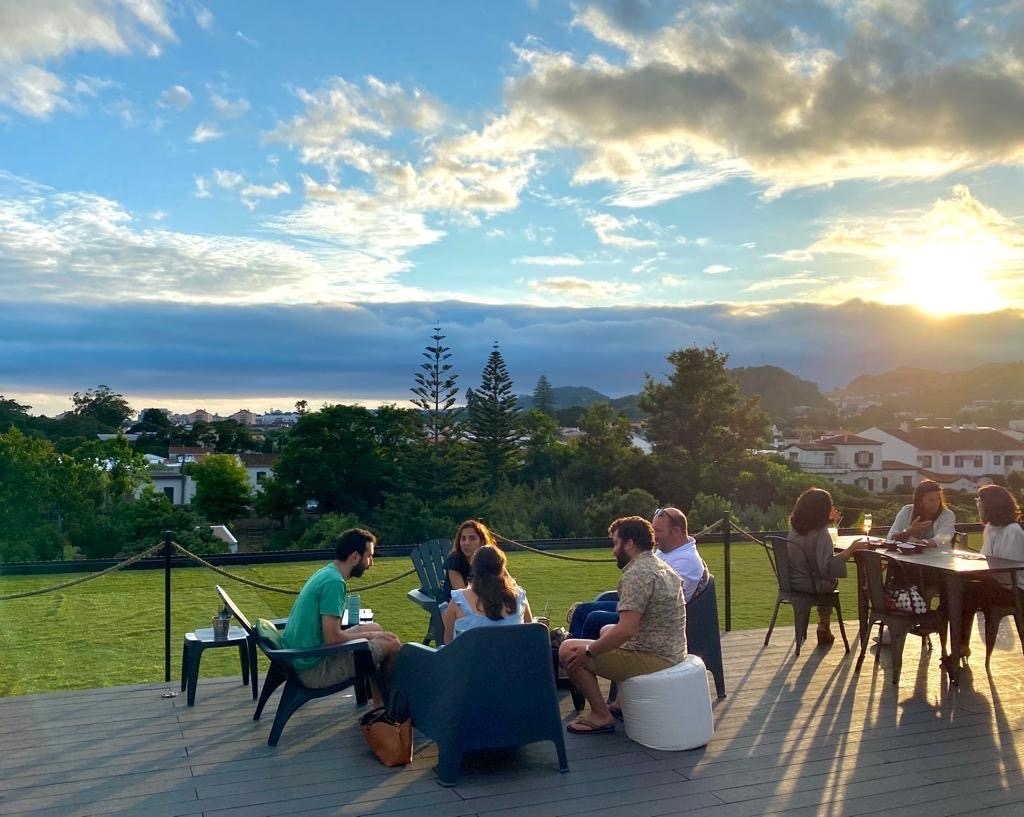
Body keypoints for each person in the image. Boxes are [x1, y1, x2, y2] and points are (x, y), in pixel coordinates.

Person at [558, 516, 687, 735]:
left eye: (615, 543)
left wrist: (589, 651)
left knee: (568, 650)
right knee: (606, 630)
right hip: (671, 649)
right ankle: (619, 704)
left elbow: (627, 630)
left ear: (629, 544)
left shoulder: (636, 574)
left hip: (655, 657)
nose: (613, 550)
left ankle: (601, 715)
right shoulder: (660, 565)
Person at [281, 528, 401, 702]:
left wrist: (372, 634)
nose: (371, 563)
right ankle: (389, 706)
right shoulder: (334, 583)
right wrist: (371, 636)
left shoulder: (327, 572)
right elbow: (332, 639)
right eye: (369, 556)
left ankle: (379, 703)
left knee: (376, 627)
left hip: (303, 655)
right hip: (314, 669)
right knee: (392, 644)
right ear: (354, 557)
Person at [568, 506, 708, 639]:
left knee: (587, 614)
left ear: (676, 531)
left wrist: (629, 605)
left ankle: (576, 656)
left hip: (653, 618)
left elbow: (668, 603)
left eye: (658, 531)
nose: (654, 536)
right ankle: (578, 650)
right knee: (598, 602)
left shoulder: (687, 561)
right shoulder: (668, 550)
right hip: (644, 605)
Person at [786, 488, 870, 647]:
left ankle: (822, 626)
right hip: (810, 584)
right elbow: (827, 566)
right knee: (830, 580)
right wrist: (851, 550)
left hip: (792, 581)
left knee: (827, 579)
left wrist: (829, 521)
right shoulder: (820, 533)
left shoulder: (795, 529)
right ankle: (824, 624)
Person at [959, 485, 1024, 658]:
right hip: (997, 584)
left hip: (1015, 590)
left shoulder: (1013, 531)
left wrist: (980, 571)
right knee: (963, 588)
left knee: (968, 590)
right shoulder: (990, 528)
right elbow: (986, 558)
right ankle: (960, 644)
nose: (978, 505)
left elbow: (1009, 570)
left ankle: (961, 645)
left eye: (980, 502)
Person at [441, 545, 533, 644]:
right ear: (502, 568)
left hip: (472, 658)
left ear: (474, 568)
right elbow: (531, 634)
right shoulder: (519, 597)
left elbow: (448, 644)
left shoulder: (459, 600)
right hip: (512, 658)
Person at [887, 480, 956, 547]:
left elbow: (941, 539)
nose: (936, 503)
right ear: (920, 501)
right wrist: (909, 531)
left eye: (939, 499)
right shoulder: (907, 510)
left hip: (937, 557)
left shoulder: (947, 515)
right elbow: (891, 536)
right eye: (931, 500)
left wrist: (919, 543)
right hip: (907, 556)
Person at [440, 520, 496, 603]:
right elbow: (462, 596)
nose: (466, 543)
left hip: (482, 605)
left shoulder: (490, 559)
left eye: (472, 538)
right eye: (463, 539)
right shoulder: (454, 559)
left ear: (482, 542)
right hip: (453, 605)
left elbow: (507, 584)